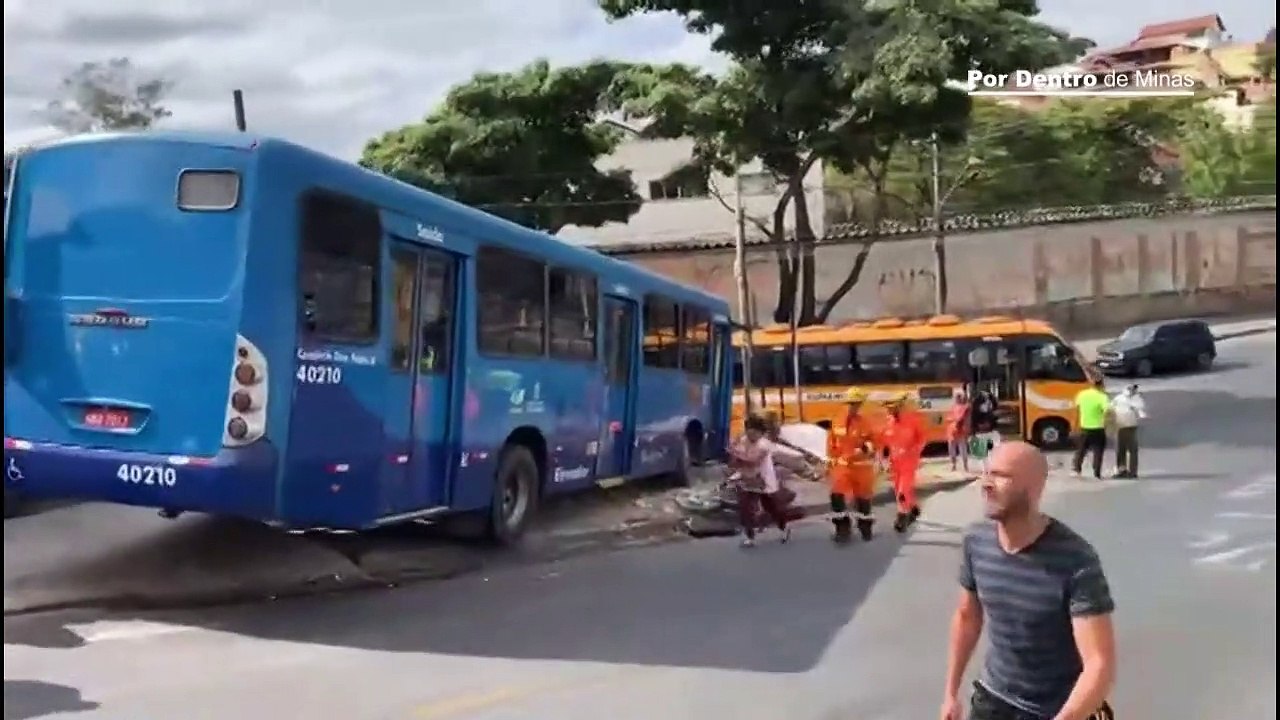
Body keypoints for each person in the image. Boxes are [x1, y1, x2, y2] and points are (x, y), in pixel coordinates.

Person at [941, 441, 1117, 720]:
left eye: (1001, 476)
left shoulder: (1076, 559)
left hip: (1056, 710)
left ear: (1034, 489)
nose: (986, 484)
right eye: (987, 473)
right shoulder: (976, 541)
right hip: (993, 700)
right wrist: (950, 694)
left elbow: (1098, 663)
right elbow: (967, 617)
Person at [726, 414, 792, 548]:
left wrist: (735, 452)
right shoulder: (743, 440)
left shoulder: (764, 445)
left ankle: (784, 527)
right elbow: (735, 460)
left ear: (760, 433)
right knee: (745, 508)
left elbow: (753, 461)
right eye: (748, 431)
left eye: (754, 432)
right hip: (747, 479)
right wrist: (734, 458)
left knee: (770, 507)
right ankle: (750, 537)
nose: (751, 435)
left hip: (763, 480)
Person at [827, 387, 880, 543]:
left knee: (863, 501)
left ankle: (865, 529)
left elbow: (873, 443)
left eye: (856, 403)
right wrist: (830, 458)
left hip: (861, 468)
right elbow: (832, 442)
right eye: (850, 403)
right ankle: (842, 529)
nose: (853, 406)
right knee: (836, 496)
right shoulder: (837, 420)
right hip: (842, 467)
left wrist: (865, 448)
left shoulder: (865, 422)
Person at [882, 392, 926, 532]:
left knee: (903, 490)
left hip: (909, 462)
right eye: (888, 408)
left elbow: (922, 439)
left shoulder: (913, 420)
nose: (889, 410)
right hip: (894, 463)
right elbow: (885, 442)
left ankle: (902, 517)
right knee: (898, 489)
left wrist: (913, 450)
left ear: (899, 407)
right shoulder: (888, 422)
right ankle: (913, 508)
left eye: (891, 407)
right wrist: (884, 457)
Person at [1072, 379, 1111, 480]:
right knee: (1098, 451)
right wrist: (1108, 426)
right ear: (1101, 385)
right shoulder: (1102, 397)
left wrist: (1075, 426)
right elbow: (1107, 412)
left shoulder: (1082, 395)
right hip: (1098, 428)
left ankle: (1076, 469)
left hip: (1084, 427)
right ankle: (1096, 473)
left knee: (1081, 449)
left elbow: (1077, 411)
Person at [1110, 384, 1147, 479]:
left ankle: (1132, 471)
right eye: (1130, 389)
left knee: (1132, 450)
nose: (1132, 391)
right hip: (1120, 425)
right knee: (1121, 449)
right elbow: (1110, 408)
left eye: (1133, 389)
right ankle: (1121, 470)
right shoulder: (1119, 398)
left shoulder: (1137, 399)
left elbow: (1141, 410)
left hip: (1131, 426)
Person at [969, 386, 1001, 474]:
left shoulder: (987, 406)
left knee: (989, 451)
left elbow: (995, 406)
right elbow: (973, 420)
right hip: (983, 432)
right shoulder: (978, 408)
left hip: (986, 432)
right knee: (985, 452)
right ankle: (986, 469)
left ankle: (988, 469)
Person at [946, 389, 972, 474]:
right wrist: (953, 419)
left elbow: (962, 418)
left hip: (960, 431)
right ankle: (954, 465)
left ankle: (965, 466)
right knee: (952, 448)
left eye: (958, 396)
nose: (957, 398)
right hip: (952, 431)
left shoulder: (966, 407)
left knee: (962, 448)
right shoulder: (953, 407)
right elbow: (948, 418)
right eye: (956, 397)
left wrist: (954, 419)